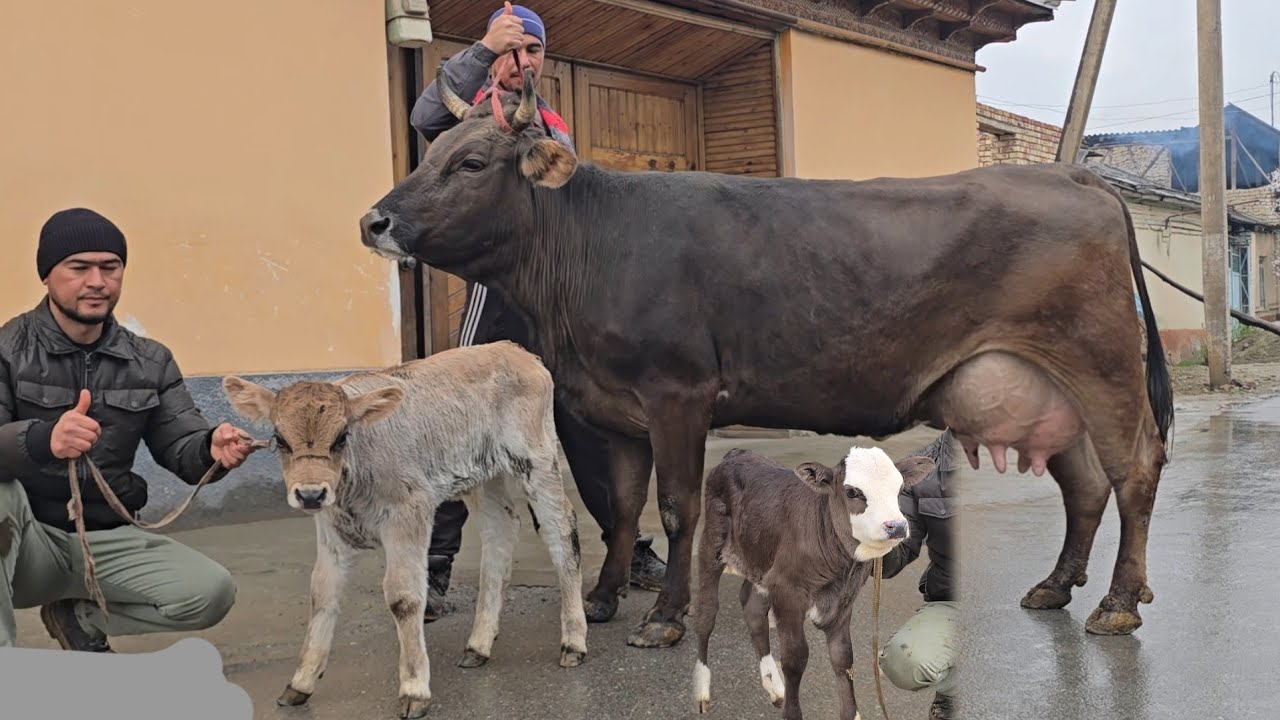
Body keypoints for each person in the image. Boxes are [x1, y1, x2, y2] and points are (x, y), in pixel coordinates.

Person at [408, 2, 666, 621]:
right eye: (513, 50)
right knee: (461, 425)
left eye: (532, 51)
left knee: (588, 425)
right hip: (495, 297)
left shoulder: (551, 123)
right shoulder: (470, 113)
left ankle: (629, 551)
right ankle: (433, 571)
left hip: (560, 301)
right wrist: (481, 51)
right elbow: (423, 116)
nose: (524, 63)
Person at [0, 207, 260, 652]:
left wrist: (210, 449)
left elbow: (180, 444)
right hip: (27, 547)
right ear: (47, 275)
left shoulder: (150, 359)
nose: (97, 281)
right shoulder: (8, 349)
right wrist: (45, 439)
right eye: (79, 268)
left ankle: (80, 619)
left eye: (110, 267)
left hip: (107, 539)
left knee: (210, 593)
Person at [877, 428, 960, 720]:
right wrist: (877, 535)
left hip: (1019, 602)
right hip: (955, 602)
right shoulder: (915, 470)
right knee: (905, 661)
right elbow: (897, 557)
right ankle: (954, 688)